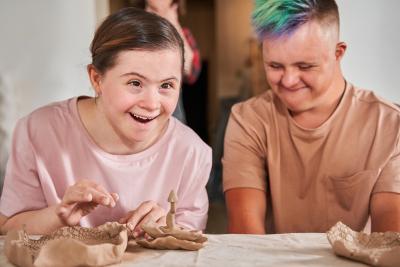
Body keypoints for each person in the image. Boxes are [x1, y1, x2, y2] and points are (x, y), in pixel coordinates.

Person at [0, 7, 211, 237]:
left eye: (166, 85)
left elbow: (192, 244)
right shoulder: (37, 132)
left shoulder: (192, 153)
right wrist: (57, 216)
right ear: (97, 79)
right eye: (135, 83)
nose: (152, 104)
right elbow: (7, 228)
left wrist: (168, 229)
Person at [223, 0, 400, 234]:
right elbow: (245, 231)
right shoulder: (248, 119)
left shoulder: (389, 125)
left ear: (338, 53)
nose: (288, 81)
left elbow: (389, 241)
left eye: (305, 66)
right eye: (275, 66)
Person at [129, 0, 202, 123]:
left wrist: (174, 23)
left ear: (174, 9)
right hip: (135, 105)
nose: (157, 16)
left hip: (172, 113)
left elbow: (190, 72)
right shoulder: (131, 33)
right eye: (153, 8)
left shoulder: (182, 34)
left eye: (163, 10)